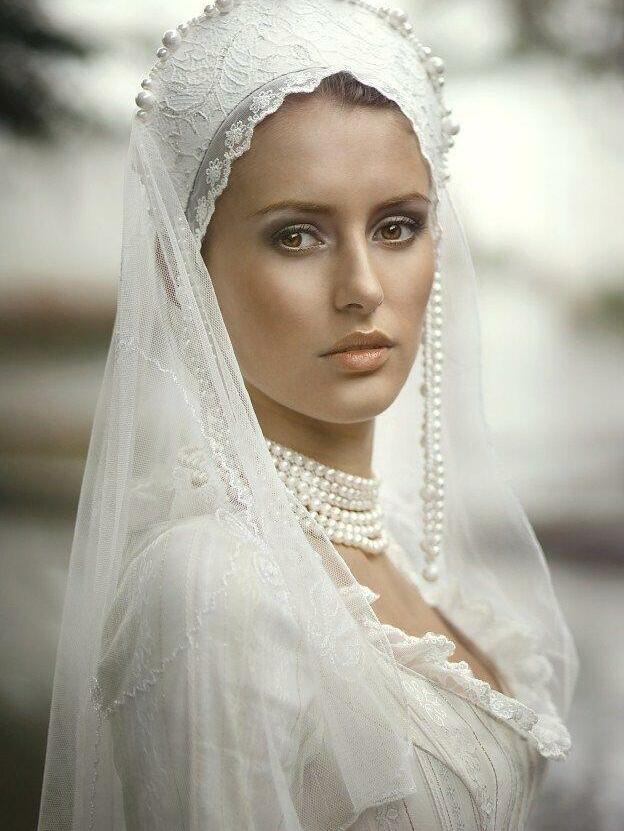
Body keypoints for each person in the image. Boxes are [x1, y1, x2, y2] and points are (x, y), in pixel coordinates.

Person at [37, 2, 579, 830]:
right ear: (184, 269)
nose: (362, 287)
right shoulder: (214, 585)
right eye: (297, 236)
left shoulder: (397, 550)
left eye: (397, 226)